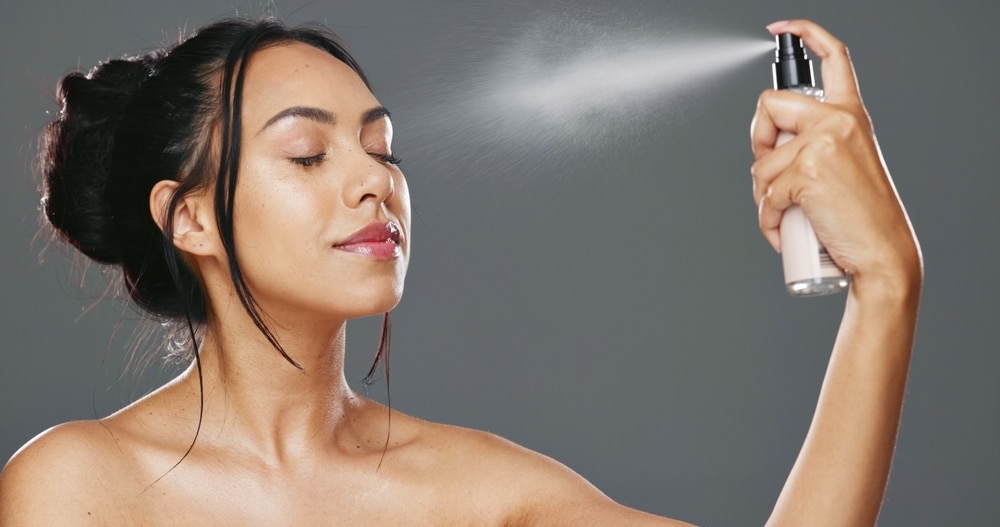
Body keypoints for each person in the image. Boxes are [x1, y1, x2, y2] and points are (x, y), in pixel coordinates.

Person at [0, 16, 921, 526]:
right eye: (309, 156)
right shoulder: (80, 486)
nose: (374, 183)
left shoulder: (480, 493)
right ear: (190, 216)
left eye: (383, 148)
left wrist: (886, 283)